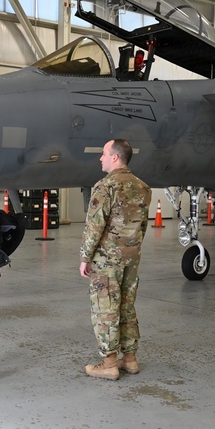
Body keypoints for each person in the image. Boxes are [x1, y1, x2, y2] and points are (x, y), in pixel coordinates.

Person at [79, 138, 152, 380]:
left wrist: (85, 257)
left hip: (107, 261)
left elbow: (94, 227)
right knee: (127, 307)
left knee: (105, 309)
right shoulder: (143, 187)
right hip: (131, 258)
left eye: (103, 153)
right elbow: (142, 226)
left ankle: (109, 363)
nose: (100, 158)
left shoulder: (105, 186)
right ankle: (130, 359)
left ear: (114, 157)